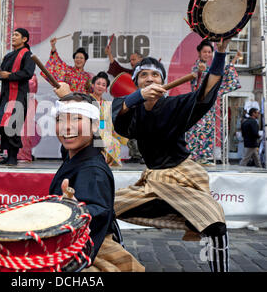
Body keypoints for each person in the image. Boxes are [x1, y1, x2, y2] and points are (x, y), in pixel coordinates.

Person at [112, 39, 232, 272]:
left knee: (215, 222)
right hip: (153, 183)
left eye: (155, 75)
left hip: (183, 178)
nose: (150, 79)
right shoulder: (132, 111)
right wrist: (139, 96)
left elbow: (207, 89)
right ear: (136, 82)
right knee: (103, 209)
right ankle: (119, 261)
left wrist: (221, 52)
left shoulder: (175, 105)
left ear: (162, 81)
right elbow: (120, 110)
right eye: (143, 75)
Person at [49, 92, 144, 272]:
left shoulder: (92, 171)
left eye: (76, 118)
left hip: (89, 249)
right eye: (60, 120)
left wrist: (75, 210)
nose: (65, 128)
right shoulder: (78, 153)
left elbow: (96, 212)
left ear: (93, 126)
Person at [185, 40, 241, 166]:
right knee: (197, 129)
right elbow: (198, 82)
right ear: (199, 53)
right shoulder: (197, 66)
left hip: (208, 105)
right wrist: (199, 72)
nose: (207, 54)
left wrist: (234, 59)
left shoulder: (209, 68)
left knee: (207, 129)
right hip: (198, 103)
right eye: (204, 52)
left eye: (210, 52)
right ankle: (194, 156)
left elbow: (223, 74)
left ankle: (203, 156)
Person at [0, 28, 35, 166]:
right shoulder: (9, 55)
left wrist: (9, 75)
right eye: (13, 34)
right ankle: (7, 155)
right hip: (6, 94)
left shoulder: (28, 55)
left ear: (24, 39)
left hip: (18, 95)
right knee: (3, 126)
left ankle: (13, 157)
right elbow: (3, 74)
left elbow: (27, 73)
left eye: (16, 35)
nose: (13, 37)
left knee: (12, 126)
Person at [105, 46, 144, 164]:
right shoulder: (130, 74)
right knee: (131, 129)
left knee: (144, 131)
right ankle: (135, 155)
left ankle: (145, 155)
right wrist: (110, 54)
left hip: (144, 105)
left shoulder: (146, 73)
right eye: (131, 60)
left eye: (134, 59)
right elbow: (117, 69)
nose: (132, 62)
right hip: (132, 107)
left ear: (141, 59)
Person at [90, 71, 128, 167]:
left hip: (102, 129)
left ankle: (108, 165)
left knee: (116, 141)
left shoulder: (107, 103)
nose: (100, 86)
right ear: (93, 85)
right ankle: (101, 163)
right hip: (89, 130)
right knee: (107, 141)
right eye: (98, 84)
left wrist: (113, 132)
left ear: (106, 89)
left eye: (103, 85)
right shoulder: (87, 99)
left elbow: (107, 122)